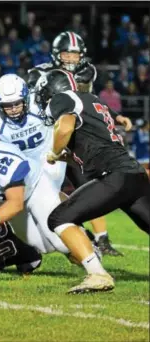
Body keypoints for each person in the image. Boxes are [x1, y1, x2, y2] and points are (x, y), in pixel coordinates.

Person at [36, 69, 150, 293]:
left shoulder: (63, 99)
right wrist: (66, 154)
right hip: (134, 174)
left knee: (59, 218)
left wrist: (53, 151)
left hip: (114, 176)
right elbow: (91, 139)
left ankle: (97, 274)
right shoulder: (91, 99)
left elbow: (66, 126)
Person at [27, 31, 131, 255]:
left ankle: (101, 238)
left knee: (88, 184)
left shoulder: (86, 73)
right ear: (57, 54)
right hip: (44, 135)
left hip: (73, 135)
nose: (71, 59)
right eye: (67, 54)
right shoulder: (39, 74)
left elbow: (88, 103)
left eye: (75, 55)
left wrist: (113, 116)